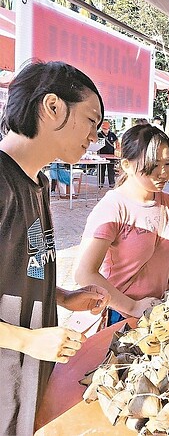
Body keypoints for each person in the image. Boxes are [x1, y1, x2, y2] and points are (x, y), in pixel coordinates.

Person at [0, 61, 110, 435]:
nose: (95, 135)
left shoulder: (39, 183)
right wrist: (28, 339)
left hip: (27, 378)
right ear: (52, 107)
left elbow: (24, 267)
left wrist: (62, 297)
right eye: (91, 120)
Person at [75, 124, 169, 326]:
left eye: (168, 164)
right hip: (120, 313)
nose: (163, 173)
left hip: (161, 311)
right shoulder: (113, 207)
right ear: (126, 165)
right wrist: (132, 307)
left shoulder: (168, 203)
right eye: (153, 165)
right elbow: (84, 273)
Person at [97, 119, 118, 188]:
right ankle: (100, 184)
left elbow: (117, 142)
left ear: (109, 128)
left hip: (111, 155)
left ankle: (112, 184)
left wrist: (117, 150)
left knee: (111, 169)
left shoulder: (112, 135)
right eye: (103, 128)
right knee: (101, 169)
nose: (104, 130)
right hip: (101, 154)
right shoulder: (99, 134)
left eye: (106, 129)